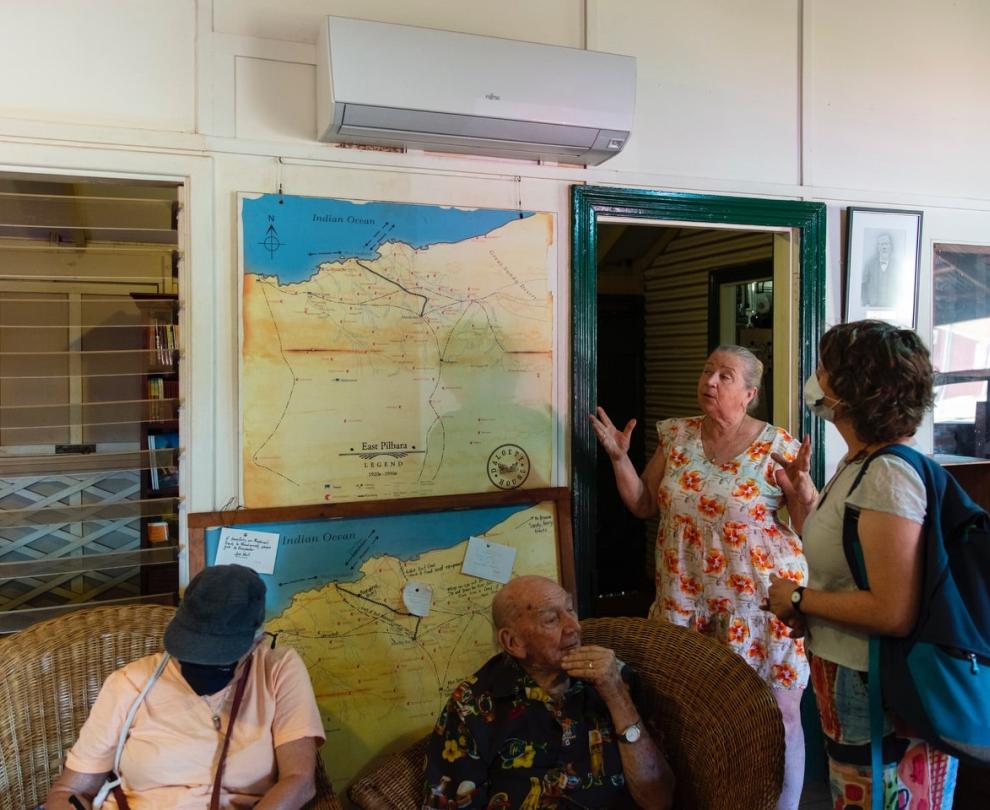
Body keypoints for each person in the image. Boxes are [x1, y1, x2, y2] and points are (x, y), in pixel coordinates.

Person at [590, 345, 814, 810]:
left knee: (780, 715)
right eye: (708, 371)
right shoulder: (678, 436)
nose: (710, 381)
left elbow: (807, 528)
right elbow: (643, 504)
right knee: (688, 714)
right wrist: (618, 458)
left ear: (750, 393)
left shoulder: (780, 447)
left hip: (758, 607)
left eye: (725, 376)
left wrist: (806, 499)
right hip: (684, 598)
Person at [767, 320, 957, 809]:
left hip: (878, 685)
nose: (816, 378)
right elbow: (846, 556)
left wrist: (798, 598)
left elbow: (892, 609)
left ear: (854, 390)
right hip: (847, 674)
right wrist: (801, 498)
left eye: (826, 369)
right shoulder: (859, 464)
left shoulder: (887, 474)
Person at [44, 564, 326, 809]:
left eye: (217, 657)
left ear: (255, 642)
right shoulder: (130, 682)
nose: (201, 665)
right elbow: (69, 791)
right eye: (192, 651)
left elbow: (299, 780)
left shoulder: (278, 669)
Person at [422, 575, 674, 809]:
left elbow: (658, 798)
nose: (574, 626)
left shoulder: (615, 677)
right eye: (552, 619)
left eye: (571, 609)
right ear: (513, 642)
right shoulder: (472, 707)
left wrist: (616, 695)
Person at [860, 232, 897, 308]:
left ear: (890, 246)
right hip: (873, 305)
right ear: (878, 247)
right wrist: (866, 302)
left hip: (891, 306)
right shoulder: (869, 264)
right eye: (881, 244)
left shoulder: (897, 265)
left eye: (886, 244)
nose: (884, 247)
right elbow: (863, 285)